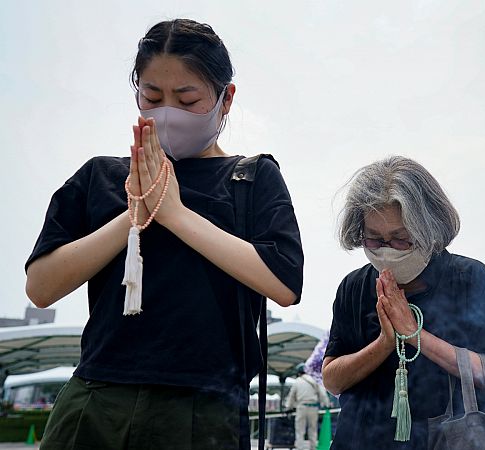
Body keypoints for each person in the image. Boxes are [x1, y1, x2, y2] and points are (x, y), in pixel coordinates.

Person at [25, 19, 303, 449]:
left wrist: (174, 213)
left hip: (201, 407)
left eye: (187, 99)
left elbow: (284, 284)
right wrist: (133, 215)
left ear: (226, 99)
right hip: (96, 396)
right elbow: (41, 288)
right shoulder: (101, 176)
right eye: (152, 97)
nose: (167, 112)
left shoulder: (251, 177)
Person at [322, 156, 485, 449]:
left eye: (401, 239)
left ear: (428, 229)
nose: (387, 250)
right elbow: (332, 380)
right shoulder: (353, 287)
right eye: (374, 240)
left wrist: (414, 334)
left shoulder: (467, 278)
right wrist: (384, 343)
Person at [284, 364, 332, 450]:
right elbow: (322, 393)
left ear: (299, 373)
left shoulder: (297, 381)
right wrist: (327, 404)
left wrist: (288, 407)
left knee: (300, 430)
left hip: (301, 407)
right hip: (313, 407)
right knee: (313, 429)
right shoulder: (314, 380)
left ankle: (300, 448)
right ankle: (313, 447)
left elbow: (291, 396)